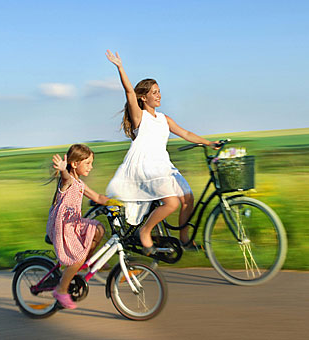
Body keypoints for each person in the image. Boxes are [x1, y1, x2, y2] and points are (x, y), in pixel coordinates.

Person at [104, 50, 217, 255]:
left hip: (163, 165)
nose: (159, 95)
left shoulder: (164, 119)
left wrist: (209, 142)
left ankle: (183, 240)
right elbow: (129, 92)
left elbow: (185, 133)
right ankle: (145, 233)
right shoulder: (140, 117)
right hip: (145, 166)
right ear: (143, 97)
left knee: (188, 198)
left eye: (159, 91)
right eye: (154, 92)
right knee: (172, 202)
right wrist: (120, 67)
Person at [46, 144, 110, 309]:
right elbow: (66, 176)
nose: (91, 166)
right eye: (87, 163)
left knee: (98, 229)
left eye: (91, 163)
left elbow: (97, 197)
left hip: (73, 223)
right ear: (74, 164)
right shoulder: (67, 181)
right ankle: (61, 290)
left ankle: (86, 258)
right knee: (77, 258)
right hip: (62, 227)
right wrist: (62, 169)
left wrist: (118, 201)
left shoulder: (80, 184)